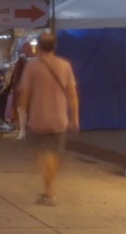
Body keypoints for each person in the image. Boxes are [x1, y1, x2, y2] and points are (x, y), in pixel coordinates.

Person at [16, 32, 79, 206]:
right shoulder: (65, 66)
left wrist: (21, 114)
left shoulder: (32, 67)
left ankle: (49, 191)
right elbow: (72, 93)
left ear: (39, 48)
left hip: (39, 118)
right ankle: (49, 187)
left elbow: (25, 94)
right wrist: (75, 117)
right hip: (60, 118)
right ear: (54, 47)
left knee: (43, 153)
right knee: (53, 153)